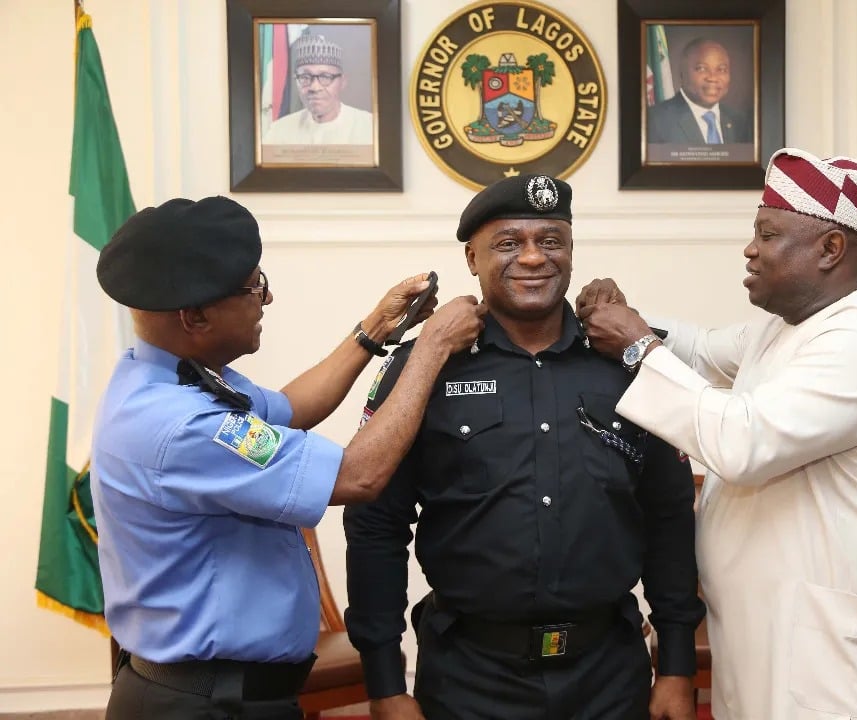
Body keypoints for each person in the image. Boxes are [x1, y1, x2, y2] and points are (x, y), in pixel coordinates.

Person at [577, 148, 857, 720]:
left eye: (768, 235)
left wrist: (635, 345)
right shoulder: (795, 323)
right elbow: (699, 350)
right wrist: (629, 319)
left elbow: (742, 444)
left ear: (830, 249)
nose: (749, 249)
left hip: (833, 652)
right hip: (771, 629)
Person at [91, 195, 486, 719]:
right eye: (254, 286)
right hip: (205, 704)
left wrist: (374, 329)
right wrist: (432, 348)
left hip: (223, 694)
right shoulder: (182, 426)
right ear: (195, 315)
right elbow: (358, 476)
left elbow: (289, 409)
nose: (269, 297)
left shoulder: (167, 376)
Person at [344, 174, 705, 720]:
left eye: (551, 241)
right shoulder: (426, 364)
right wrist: (386, 684)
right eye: (509, 243)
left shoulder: (628, 359)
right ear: (472, 258)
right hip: (470, 679)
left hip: (609, 676)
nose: (534, 258)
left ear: (571, 252)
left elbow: (669, 515)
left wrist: (677, 665)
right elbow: (376, 524)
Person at [263, 33, 373, 145]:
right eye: (305, 77)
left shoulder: (369, 127)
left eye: (325, 77)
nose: (315, 87)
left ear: (342, 82)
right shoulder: (278, 131)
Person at [647, 38, 750, 145]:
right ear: (682, 73)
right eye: (701, 68)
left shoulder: (739, 121)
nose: (713, 78)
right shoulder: (654, 120)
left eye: (721, 69)